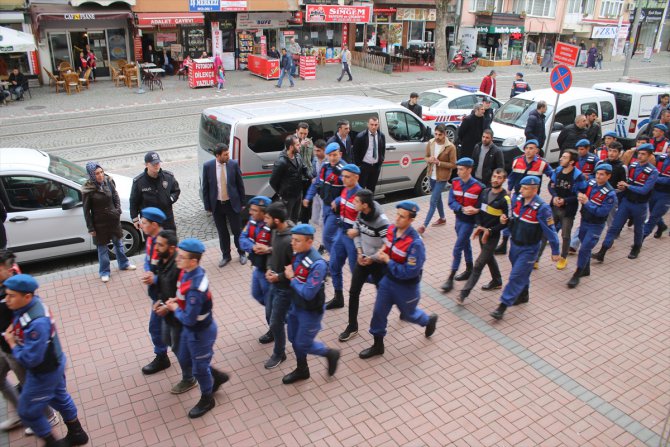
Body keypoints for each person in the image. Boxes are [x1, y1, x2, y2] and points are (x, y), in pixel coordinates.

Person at [3, 274, 89, 446]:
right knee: (59, 398)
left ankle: (52, 442)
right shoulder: (32, 304)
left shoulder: (37, 323)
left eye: (11, 296)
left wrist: (12, 344)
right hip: (54, 364)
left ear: (27, 297)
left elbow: (31, 359)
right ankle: (77, 432)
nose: (7, 300)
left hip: (44, 371)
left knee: (27, 411)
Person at [359, 201, 438, 359]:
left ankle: (428, 320)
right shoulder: (391, 230)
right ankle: (378, 346)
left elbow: (409, 272)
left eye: (402, 216)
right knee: (378, 312)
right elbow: (386, 248)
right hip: (388, 281)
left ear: (411, 220)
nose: (397, 218)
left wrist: (388, 261)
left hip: (406, 287)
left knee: (409, 315)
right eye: (397, 214)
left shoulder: (415, 244)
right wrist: (373, 258)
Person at [163, 239, 229, 418]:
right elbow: (183, 297)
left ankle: (207, 398)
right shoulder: (187, 272)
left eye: (182, 257)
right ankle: (216, 376)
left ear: (193, 261)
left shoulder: (195, 288)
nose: (177, 259)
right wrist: (177, 301)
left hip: (200, 333)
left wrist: (175, 309)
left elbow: (190, 319)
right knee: (186, 358)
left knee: (199, 369)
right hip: (191, 330)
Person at [0, 251, 60, 435]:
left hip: (16, 348)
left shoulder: (17, 290)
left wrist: (13, 341)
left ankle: (47, 416)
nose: (8, 299)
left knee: (30, 386)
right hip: (6, 346)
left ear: (9, 269)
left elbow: (33, 319)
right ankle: (23, 413)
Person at [490, 177, 560, 320]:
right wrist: (504, 220)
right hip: (515, 245)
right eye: (521, 187)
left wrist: (555, 251)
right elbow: (512, 218)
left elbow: (550, 231)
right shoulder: (518, 200)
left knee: (515, 276)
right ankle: (523, 295)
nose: (521, 190)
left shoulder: (542, 208)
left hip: (529, 249)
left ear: (535, 190)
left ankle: (502, 306)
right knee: (522, 272)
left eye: (525, 188)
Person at [281, 224, 340, 384]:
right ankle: (302, 369)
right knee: (293, 338)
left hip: (310, 310)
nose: (293, 243)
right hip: (296, 305)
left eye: (297, 241)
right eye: (293, 239)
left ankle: (330, 354)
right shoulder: (298, 253)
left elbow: (308, 293)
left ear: (309, 242)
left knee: (303, 343)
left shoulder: (318, 264)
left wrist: (292, 278)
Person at [592, 144, 659, 261]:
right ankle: (602, 252)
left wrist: (627, 186)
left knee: (638, 229)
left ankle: (636, 247)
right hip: (627, 202)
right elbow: (626, 182)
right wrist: (622, 187)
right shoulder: (632, 166)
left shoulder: (653, 172)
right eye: (639, 153)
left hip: (640, 204)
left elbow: (644, 190)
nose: (640, 156)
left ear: (649, 156)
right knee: (614, 227)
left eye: (643, 154)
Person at [339, 189, 389, 341]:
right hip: (363, 260)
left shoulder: (382, 221)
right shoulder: (360, 214)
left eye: (356, 202)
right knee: (353, 292)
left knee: (382, 297)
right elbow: (357, 232)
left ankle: (379, 335)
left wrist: (372, 258)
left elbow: (387, 245)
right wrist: (360, 251)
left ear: (365, 205)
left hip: (378, 263)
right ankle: (352, 326)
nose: (353, 204)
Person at [150, 230, 193, 395]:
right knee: (168, 340)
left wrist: (167, 307)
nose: (156, 247)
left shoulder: (178, 267)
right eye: (156, 243)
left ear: (172, 248)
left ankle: (189, 378)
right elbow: (163, 285)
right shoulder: (163, 260)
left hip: (178, 315)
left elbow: (183, 294)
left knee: (179, 347)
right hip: (168, 312)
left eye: (160, 245)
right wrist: (159, 301)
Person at [458, 169, 510, 304]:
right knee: (488, 257)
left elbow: (507, 222)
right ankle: (497, 281)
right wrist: (479, 226)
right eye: (494, 176)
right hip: (482, 232)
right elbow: (479, 211)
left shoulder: (505, 199)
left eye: (499, 177)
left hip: (492, 236)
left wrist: (490, 230)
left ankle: (463, 294)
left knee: (479, 263)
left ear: (504, 180)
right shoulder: (485, 192)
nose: (496, 179)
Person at [496, 139, 553, 255]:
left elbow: (553, 175)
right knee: (510, 216)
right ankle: (504, 243)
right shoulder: (517, 160)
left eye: (531, 148)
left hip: (532, 199)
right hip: (517, 195)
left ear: (537, 150)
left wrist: (554, 186)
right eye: (526, 148)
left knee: (527, 221)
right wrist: (509, 189)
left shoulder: (542, 163)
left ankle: (526, 245)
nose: (528, 151)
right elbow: (512, 177)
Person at [82, 162, 136, 283]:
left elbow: (115, 196)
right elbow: (86, 210)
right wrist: (91, 228)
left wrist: (118, 210)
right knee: (102, 249)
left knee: (118, 243)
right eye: (97, 173)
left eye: (101, 172)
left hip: (113, 219)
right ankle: (104, 271)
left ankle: (124, 264)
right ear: (91, 175)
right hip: (99, 223)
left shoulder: (108, 181)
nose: (100, 175)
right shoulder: (88, 189)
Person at [568, 164, 618, 288]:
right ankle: (586, 269)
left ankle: (577, 273)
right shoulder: (591, 183)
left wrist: (587, 202)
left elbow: (602, 212)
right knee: (584, 242)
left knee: (584, 248)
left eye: (602, 174)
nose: (598, 176)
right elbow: (579, 188)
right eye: (597, 174)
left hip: (596, 225)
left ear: (608, 176)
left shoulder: (610, 194)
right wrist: (579, 193)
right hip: (585, 220)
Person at [138, 207, 174, 376]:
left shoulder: (165, 244)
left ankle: (189, 370)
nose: (141, 225)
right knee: (157, 328)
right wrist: (148, 272)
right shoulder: (151, 240)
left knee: (162, 329)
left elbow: (173, 272)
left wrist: (156, 279)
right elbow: (148, 261)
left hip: (168, 296)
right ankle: (162, 356)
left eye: (144, 222)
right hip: (158, 294)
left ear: (154, 224)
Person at [441, 158, 484, 293]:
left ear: (469, 170)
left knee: (458, 247)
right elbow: (451, 201)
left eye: (461, 169)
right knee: (465, 244)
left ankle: (450, 278)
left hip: (469, 222)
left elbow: (482, 205)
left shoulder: (479, 187)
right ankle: (469, 268)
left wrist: (476, 210)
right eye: (458, 169)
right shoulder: (455, 182)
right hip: (458, 219)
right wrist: (461, 208)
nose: (458, 172)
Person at [202, 143, 247, 268]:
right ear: (217, 156)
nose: (228, 156)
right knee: (222, 232)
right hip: (217, 205)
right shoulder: (208, 166)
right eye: (225, 154)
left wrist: (243, 203)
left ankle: (242, 253)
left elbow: (240, 185)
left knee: (237, 230)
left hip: (232, 203)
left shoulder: (233, 164)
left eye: (228, 153)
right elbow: (205, 187)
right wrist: (207, 206)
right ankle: (226, 255)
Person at [540, 150, 585, 270]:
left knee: (565, 235)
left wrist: (565, 200)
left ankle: (563, 258)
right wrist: (554, 196)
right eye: (562, 157)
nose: (561, 159)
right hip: (554, 207)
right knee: (546, 232)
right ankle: (536, 258)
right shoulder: (558, 170)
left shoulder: (578, 175)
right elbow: (550, 185)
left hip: (568, 210)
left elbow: (581, 193)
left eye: (564, 157)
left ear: (571, 162)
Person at [325, 164, 362, 310]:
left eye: (347, 177)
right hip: (341, 233)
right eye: (343, 176)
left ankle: (381, 280)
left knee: (357, 272)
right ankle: (338, 297)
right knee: (334, 265)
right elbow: (344, 198)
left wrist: (357, 231)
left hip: (352, 238)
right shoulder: (346, 189)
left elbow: (370, 220)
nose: (343, 179)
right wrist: (337, 201)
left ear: (356, 177)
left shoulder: (362, 196)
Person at [263, 202, 295, 367]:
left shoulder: (291, 240)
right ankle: (280, 329)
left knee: (276, 321)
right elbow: (273, 251)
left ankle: (279, 353)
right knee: (270, 315)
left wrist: (279, 277)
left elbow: (296, 268)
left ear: (276, 220)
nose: (265, 220)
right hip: (274, 283)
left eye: (267, 218)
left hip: (285, 289)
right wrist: (269, 268)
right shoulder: (275, 231)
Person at [303, 142, 345, 255]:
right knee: (331, 236)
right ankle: (334, 258)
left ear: (340, 154)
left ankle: (335, 259)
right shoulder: (325, 167)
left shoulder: (344, 170)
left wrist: (337, 201)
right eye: (330, 155)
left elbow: (351, 190)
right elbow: (316, 183)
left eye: (335, 155)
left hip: (336, 210)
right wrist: (308, 197)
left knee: (326, 237)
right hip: (326, 206)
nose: (332, 158)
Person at [239, 196, 273, 322]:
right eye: (251, 209)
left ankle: (273, 325)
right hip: (257, 266)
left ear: (264, 213)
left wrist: (268, 249)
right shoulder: (251, 221)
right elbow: (242, 239)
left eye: (254, 210)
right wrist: (253, 247)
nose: (250, 212)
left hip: (269, 269)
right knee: (256, 294)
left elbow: (283, 246)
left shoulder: (273, 225)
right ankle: (278, 310)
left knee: (269, 300)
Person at [419, 124, 457, 234]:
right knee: (438, 197)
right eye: (435, 134)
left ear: (444, 134)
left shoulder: (450, 147)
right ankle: (443, 218)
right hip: (431, 175)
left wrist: (439, 163)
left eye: (440, 135)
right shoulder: (431, 142)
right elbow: (425, 157)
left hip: (442, 177)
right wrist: (429, 159)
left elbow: (454, 164)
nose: (437, 137)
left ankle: (423, 226)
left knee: (433, 200)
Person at [130, 151, 180, 232]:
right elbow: (133, 201)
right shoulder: (139, 182)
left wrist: (170, 199)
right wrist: (135, 219)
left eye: (158, 163)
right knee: (152, 240)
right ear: (146, 165)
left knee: (170, 238)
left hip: (166, 218)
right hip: (149, 221)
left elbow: (176, 191)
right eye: (153, 164)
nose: (156, 165)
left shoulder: (168, 177)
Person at [270, 135, 306, 222]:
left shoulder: (298, 156)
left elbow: (304, 169)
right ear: (291, 147)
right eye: (297, 144)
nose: (300, 146)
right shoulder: (281, 162)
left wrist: (311, 177)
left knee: (295, 218)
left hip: (298, 194)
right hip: (287, 197)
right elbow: (272, 181)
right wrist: (281, 192)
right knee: (286, 220)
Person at [353, 116, 386, 193]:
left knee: (371, 188)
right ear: (368, 124)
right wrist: (360, 165)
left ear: (378, 125)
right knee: (361, 188)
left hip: (376, 167)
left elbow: (382, 149)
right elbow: (355, 152)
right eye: (372, 124)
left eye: (376, 125)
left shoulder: (381, 136)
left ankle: (370, 200)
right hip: (364, 166)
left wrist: (381, 160)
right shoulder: (360, 137)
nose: (374, 127)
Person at [643, 151, 670, 239]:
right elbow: (652, 170)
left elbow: (667, 181)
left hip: (666, 195)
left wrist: (654, 178)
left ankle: (640, 239)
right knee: (652, 211)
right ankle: (661, 226)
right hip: (655, 191)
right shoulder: (661, 158)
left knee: (654, 216)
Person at [295, 122, 315, 223]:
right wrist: (301, 146)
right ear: (297, 131)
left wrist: (312, 173)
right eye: (301, 133)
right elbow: (290, 155)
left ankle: (305, 222)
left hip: (308, 175)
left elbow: (312, 158)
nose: (303, 136)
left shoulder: (310, 142)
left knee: (308, 200)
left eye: (305, 134)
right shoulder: (292, 141)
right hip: (297, 177)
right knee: (297, 201)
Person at [309, 140, 327, 231]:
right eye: (315, 150)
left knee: (322, 220)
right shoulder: (315, 160)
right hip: (316, 192)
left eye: (318, 151)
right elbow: (313, 173)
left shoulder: (328, 162)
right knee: (315, 218)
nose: (316, 153)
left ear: (324, 150)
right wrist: (312, 178)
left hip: (325, 193)